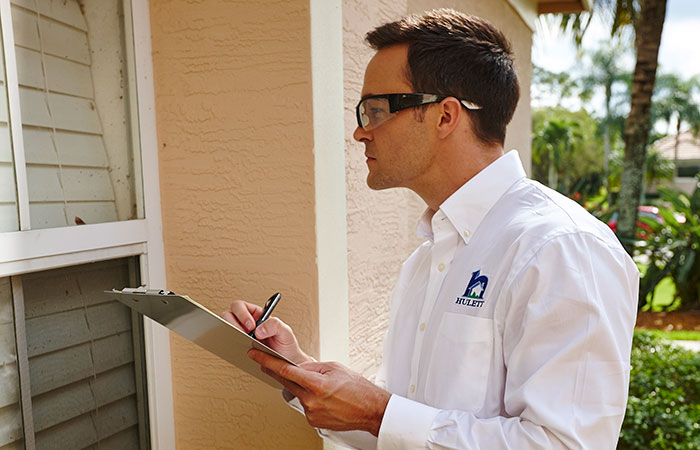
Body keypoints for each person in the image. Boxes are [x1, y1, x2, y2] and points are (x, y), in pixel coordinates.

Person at [222, 9, 638, 449]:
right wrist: (300, 370)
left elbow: (567, 444)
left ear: (445, 116)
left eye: (376, 110)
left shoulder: (561, 248)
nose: (361, 133)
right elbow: (406, 427)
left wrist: (377, 411)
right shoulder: (426, 260)